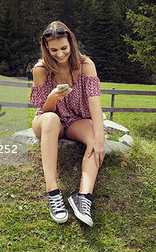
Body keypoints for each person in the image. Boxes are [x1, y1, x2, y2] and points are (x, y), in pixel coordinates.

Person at [29, 21, 105, 226]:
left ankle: (83, 197)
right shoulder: (40, 69)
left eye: (63, 48)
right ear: (46, 48)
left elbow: (95, 106)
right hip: (47, 118)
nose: (60, 54)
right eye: (53, 50)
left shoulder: (86, 66)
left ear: (71, 43)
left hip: (76, 119)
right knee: (52, 120)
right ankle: (53, 192)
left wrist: (99, 138)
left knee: (94, 137)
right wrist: (53, 97)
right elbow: (45, 110)